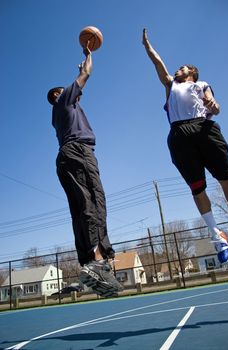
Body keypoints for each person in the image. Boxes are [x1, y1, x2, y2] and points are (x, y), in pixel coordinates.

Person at [142, 28, 228, 264]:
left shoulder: (201, 84)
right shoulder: (171, 85)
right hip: (179, 135)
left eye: (183, 67)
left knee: (227, 181)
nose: (177, 69)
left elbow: (216, 107)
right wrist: (147, 47)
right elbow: (158, 63)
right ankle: (217, 235)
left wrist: (213, 104)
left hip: (205, 129)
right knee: (197, 188)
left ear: (192, 72)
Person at [47, 45, 123, 297]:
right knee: (93, 204)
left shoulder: (63, 112)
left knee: (82, 208)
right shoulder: (64, 101)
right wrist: (88, 54)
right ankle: (98, 261)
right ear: (60, 94)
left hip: (68, 156)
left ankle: (92, 264)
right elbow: (87, 73)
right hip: (78, 153)